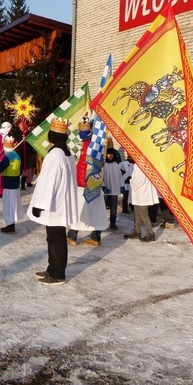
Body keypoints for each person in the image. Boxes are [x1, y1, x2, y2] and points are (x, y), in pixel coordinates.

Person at [26, 117, 78, 285]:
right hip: (60, 203)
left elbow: (49, 182)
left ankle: (57, 274)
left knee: (56, 240)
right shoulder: (66, 153)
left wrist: (39, 204)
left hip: (54, 205)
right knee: (55, 238)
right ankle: (52, 268)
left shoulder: (55, 155)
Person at [67, 117, 108, 247]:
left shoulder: (89, 146)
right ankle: (95, 236)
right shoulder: (95, 145)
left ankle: (72, 235)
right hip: (92, 183)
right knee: (94, 211)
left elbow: (86, 166)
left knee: (81, 210)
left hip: (85, 185)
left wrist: (79, 182)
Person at [124, 162, 159, 242]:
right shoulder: (144, 163)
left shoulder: (140, 165)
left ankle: (150, 233)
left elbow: (138, 180)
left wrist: (130, 180)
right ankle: (137, 230)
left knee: (143, 213)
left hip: (142, 193)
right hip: (140, 193)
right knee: (137, 212)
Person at [102, 144, 123, 231]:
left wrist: (121, 186)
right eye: (108, 154)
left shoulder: (116, 165)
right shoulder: (104, 165)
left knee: (113, 208)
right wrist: (103, 186)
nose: (110, 156)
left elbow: (120, 176)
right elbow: (101, 176)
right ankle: (102, 222)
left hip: (114, 189)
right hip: (106, 190)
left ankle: (113, 223)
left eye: (112, 154)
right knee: (103, 207)